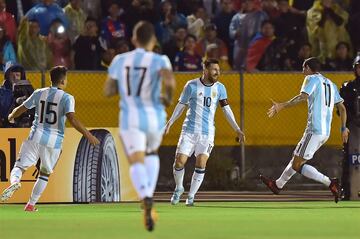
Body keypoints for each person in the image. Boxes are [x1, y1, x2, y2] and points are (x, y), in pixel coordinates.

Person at [104, 21, 175, 232]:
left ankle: (145, 196)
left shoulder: (119, 60)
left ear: (134, 39)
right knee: (152, 153)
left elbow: (108, 90)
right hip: (154, 117)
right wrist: (167, 98)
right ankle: (149, 196)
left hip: (130, 118)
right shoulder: (160, 59)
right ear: (153, 40)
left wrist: (121, 86)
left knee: (136, 160)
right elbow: (170, 83)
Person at [0, 66, 100, 211]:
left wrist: (11, 116)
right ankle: (30, 204)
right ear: (63, 81)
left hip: (35, 136)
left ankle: (15, 182)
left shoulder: (39, 93)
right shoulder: (67, 98)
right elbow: (72, 119)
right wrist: (88, 135)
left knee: (19, 167)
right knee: (44, 173)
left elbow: (22, 108)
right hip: (54, 142)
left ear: (50, 79)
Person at [260, 57, 349, 203]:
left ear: (308, 68)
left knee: (297, 164)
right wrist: (343, 128)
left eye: (303, 68)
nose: (302, 72)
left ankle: (330, 183)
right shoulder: (331, 83)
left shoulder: (311, 79)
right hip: (324, 132)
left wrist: (281, 105)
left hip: (314, 130)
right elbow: (342, 108)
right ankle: (278, 185)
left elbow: (302, 97)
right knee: (297, 159)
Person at [165, 58, 245, 206]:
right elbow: (181, 105)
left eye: (218, 70)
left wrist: (237, 129)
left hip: (207, 133)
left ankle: (191, 196)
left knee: (201, 164)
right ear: (205, 69)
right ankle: (179, 188)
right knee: (179, 161)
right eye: (214, 70)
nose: (217, 72)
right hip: (189, 131)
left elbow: (226, 110)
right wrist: (170, 122)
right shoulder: (191, 85)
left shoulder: (220, 88)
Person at [339, 54, 360, 199]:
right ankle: (346, 190)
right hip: (353, 127)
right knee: (350, 158)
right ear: (355, 69)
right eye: (359, 67)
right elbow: (340, 110)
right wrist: (345, 126)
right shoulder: (348, 87)